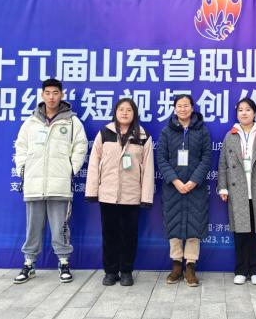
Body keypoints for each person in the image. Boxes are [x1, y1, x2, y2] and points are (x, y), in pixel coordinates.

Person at [13, 78, 88, 284]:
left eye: (55, 93)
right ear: (42, 95)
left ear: (61, 95)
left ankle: (63, 263)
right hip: (34, 184)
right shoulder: (31, 122)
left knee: (60, 227)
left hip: (59, 185)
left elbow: (80, 146)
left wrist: (71, 168)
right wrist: (23, 169)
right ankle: (29, 264)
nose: (52, 97)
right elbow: (20, 146)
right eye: (48, 93)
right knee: (33, 227)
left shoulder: (71, 122)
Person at [85, 98, 155, 286]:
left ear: (134, 114)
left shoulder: (143, 135)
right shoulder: (104, 133)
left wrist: (146, 197)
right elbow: (94, 163)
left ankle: (126, 271)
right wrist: (92, 191)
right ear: (115, 112)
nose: (124, 113)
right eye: (121, 109)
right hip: (107, 195)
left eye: (129, 110)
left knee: (129, 236)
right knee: (109, 235)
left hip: (132, 196)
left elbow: (148, 169)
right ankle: (110, 272)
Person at [217, 98, 256, 286]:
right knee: (240, 233)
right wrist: (223, 187)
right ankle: (241, 270)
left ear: (254, 113)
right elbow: (223, 164)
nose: (244, 113)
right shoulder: (230, 135)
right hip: (237, 189)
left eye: (248, 110)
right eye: (240, 110)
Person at [157, 94, 211, 287]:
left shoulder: (202, 131)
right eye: (179, 106)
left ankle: (190, 266)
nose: (183, 109)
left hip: (196, 188)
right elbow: (161, 159)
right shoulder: (166, 131)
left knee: (195, 226)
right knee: (174, 225)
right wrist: (176, 181)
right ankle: (176, 264)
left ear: (192, 108)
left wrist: (194, 181)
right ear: (174, 109)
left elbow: (206, 158)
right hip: (173, 188)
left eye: (186, 105)